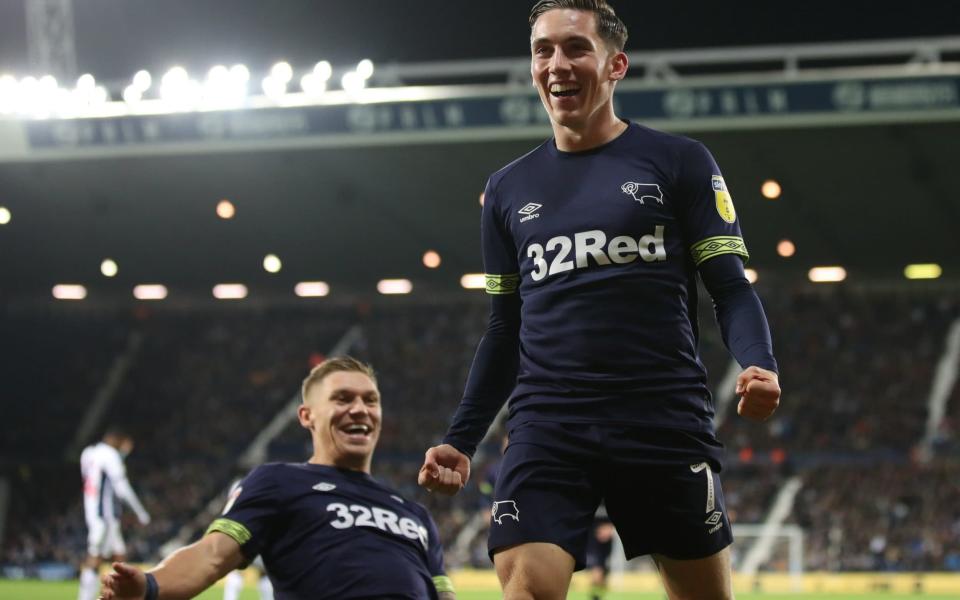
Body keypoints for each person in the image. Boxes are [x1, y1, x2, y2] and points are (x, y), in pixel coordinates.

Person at [419, 1, 781, 599]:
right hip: (548, 425)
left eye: (575, 47)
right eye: (543, 50)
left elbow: (730, 286)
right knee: (527, 590)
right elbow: (504, 329)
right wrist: (461, 438)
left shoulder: (679, 161)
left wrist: (759, 362)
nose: (556, 63)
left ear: (616, 65)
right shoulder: (507, 190)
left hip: (660, 418)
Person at [101, 357, 456, 600]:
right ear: (306, 416)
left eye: (370, 400)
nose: (360, 409)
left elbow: (443, 594)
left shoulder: (414, 513)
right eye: (342, 399)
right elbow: (212, 554)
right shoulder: (279, 482)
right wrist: (149, 586)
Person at [78, 428, 151, 600]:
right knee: (95, 557)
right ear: (119, 441)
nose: (126, 451)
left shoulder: (88, 453)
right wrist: (141, 513)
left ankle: (116, 595)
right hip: (104, 516)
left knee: (119, 556)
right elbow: (121, 487)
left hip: (96, 512)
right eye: (126, 446)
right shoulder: (110, 455)